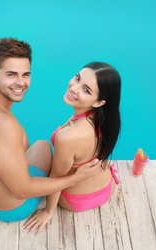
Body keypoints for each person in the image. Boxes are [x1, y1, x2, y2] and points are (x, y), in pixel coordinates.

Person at [0, 38, 101, 222]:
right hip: (10, 209)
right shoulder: (5, 126)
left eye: (25, 74)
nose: (20, 83)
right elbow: (22, 190)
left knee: (15, 146)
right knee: (43, 146)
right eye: (11, 74)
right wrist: (75, 179)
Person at [24, 62, 121, 235]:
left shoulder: (68, 137)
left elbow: (57, 177)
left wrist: (47, 212)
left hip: (74, 200)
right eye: (77, 78)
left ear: (99, 102)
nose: (74, 88)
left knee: (40, 148)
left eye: (86, 90)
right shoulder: (106, 121)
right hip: (107, 187)